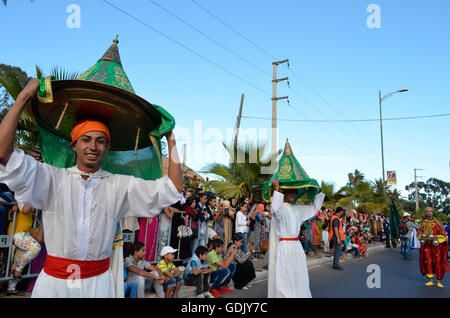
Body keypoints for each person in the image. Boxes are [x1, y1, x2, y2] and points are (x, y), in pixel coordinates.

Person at [0, 79, 184, 297]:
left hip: (98, 286)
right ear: (74, 144)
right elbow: (4, 155)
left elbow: (173, 188)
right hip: (54, 285)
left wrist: (170, 139)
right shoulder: (51, 178)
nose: (92, 146)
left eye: (100, 141)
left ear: (107, 148)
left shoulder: (118, 184)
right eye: (86, 139)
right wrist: (22, 97)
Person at [269, 180, 325, 297]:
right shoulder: (279, 208)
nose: (293, 195)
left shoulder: (297, 209)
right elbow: (274, 209)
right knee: (285, 275)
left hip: (297, 246)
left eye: (295, 192)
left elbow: (313, 208)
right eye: (290, 192)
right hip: (285, 247)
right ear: (284, 193)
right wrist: (276, 189)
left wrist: (315, 193)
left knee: (300, 273)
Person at [6, 202, 42, 295]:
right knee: (35, 248)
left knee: (18, 258)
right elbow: (26, 210)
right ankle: (18, 269)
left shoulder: (29, 198)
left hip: (25, 233)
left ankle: (11, 287)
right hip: (18, 232)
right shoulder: (23, 197)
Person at [417, 207, 449, 288]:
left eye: (430, 211)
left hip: (436, 246)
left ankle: (438, 281)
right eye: (427, 211)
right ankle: (431, 280)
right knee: (428, 261)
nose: (429, 213)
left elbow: (443, 235)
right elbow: (419, 233)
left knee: (438, 262)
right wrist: (421, 237)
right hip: (427, 246)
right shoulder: (423, 223)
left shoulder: (438, 223)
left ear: (432, 212)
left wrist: (436, 238)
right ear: (425, 213)